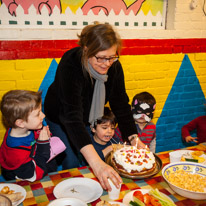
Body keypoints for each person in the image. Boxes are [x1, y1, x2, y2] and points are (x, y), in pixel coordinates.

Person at [44, 22, 146, 190]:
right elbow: (71, 117)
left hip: (88, 116)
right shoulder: (71, 64)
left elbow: (120, 104)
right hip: (62, 117)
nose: (107, 63)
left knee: (91, 156)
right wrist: (97, 164)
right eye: (100, 57)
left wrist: (133, 138)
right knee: (72, 159)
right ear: (86, 50)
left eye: (112, 57)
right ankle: (73, 192)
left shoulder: (114, 67)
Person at [0, 90, 58, 181]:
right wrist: (43, 144)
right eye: (38, 114)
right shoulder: (16, 154)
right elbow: (33, 175)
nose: (43, 115)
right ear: (20, 123)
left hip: (38, 163)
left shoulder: (25, 128)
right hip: (26, 181)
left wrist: (45, 134)